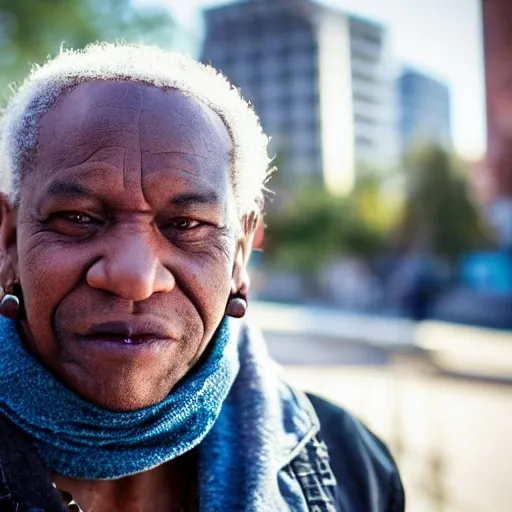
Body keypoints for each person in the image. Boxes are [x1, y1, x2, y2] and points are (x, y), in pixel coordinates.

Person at [0, 43, 404, 512]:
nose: (135, 278)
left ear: (239, 254)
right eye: (78, 217)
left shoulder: (355, 469)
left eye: (187, 224)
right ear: (7, 241)